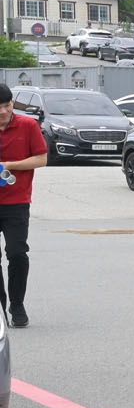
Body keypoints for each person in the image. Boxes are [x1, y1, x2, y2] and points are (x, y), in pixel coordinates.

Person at [0, 84, 48, 327]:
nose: (3, 112)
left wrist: (9, 165)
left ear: (12, 104)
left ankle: (17, 304)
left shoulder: (28, 125)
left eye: (7, 106)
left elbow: (41, 159)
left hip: (17, 202)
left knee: (17, 253)